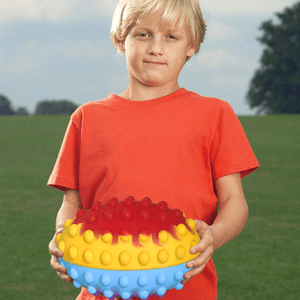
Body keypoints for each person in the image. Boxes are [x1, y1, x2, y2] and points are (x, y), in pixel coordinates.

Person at [48, 0, 259, 299]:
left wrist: (215, 235)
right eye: (143, 34)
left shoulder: (215, 114)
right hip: (101, 287)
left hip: (188, 289)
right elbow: (72, 204)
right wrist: (62, 236)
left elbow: (235, 202)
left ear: (192, 45)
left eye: (171, 37)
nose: (155, 48)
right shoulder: (86, 118)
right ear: (121, 40)